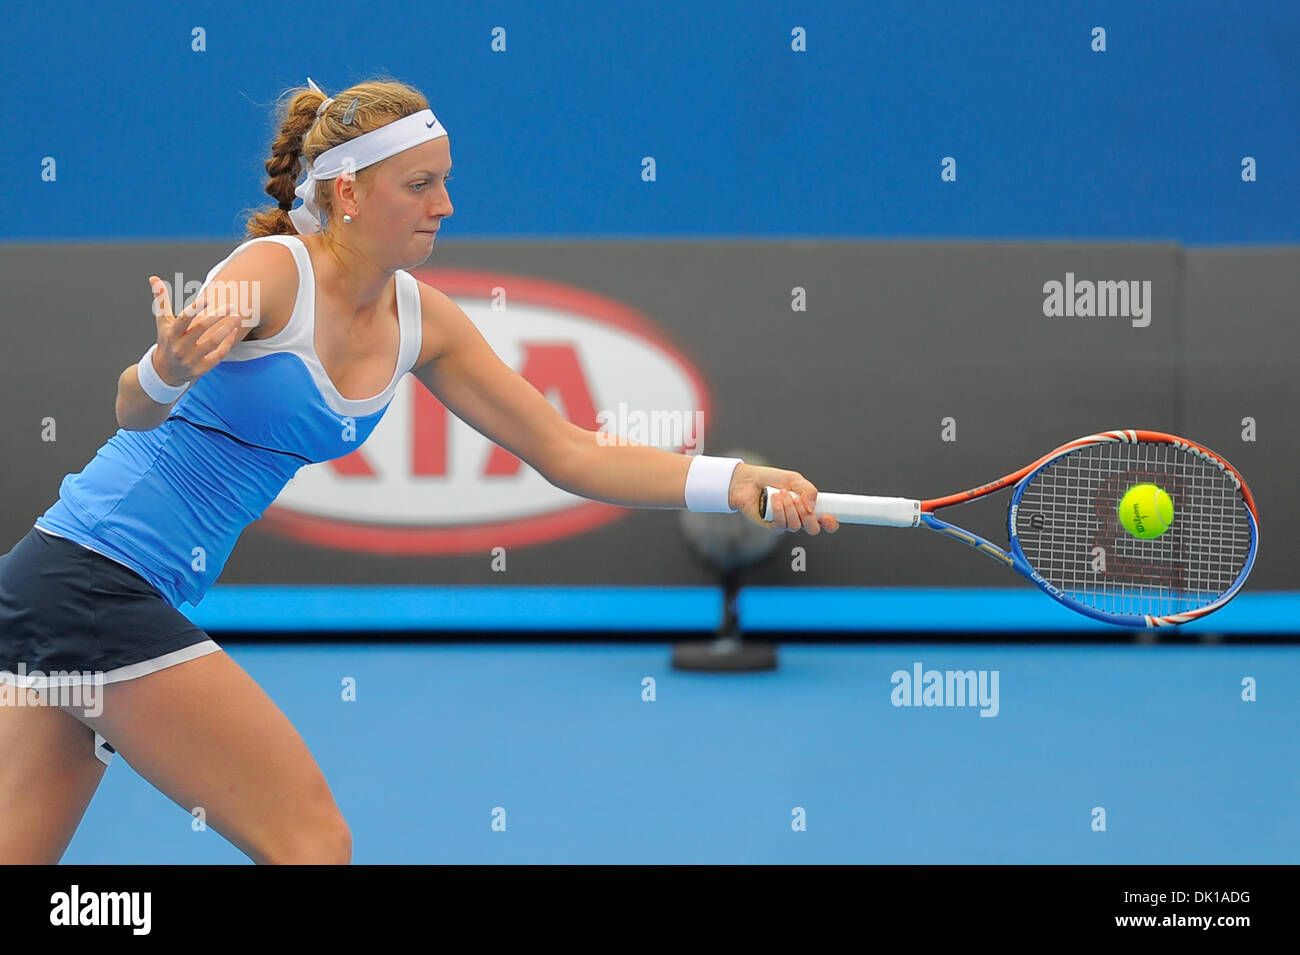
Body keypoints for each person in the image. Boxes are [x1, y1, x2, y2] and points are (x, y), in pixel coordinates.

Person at [0, 76, 838, 865]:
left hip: (67, 582)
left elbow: (568, 450)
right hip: (95, 577)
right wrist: (165, 370)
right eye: (419, 184)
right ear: (350, 193)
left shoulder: (423, 321)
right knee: (312, 843)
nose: (446, 204)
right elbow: (132, 411)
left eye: (444, 181)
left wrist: (724, 479)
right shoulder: (268, 274)